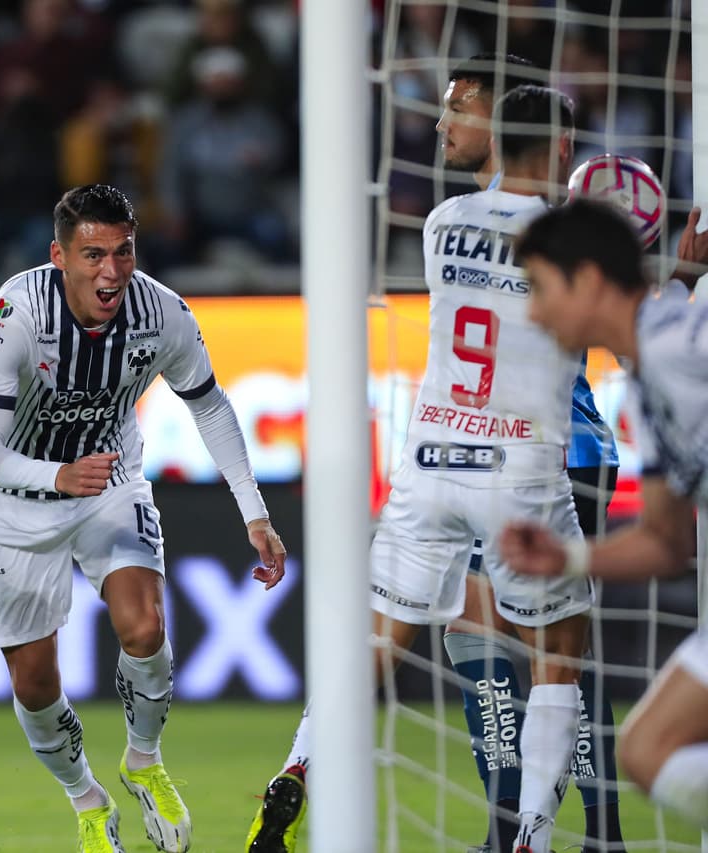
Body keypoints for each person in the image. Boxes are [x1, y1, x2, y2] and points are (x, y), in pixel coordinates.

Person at [245, 86, 591, 853]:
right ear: (563, 150)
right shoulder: (577, 237)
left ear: (498, 137)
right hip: (521, 468)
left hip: (430, 460)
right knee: (560, 654)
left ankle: (298, 763)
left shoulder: (443, 223)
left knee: (372, 644)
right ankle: (530, 835)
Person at [0, 183, 287, 853]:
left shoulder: (162, 314)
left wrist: (254, 513)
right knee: (34, 680)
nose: (110, 273)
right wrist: (55, 474)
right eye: (92, 255)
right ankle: (87, 798)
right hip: (19, 500)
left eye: (123, 252)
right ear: (59, 256)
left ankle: (143, 757)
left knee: (145, 626)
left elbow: (211, 406)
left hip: (109, 482)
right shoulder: (13, 313)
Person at [436, 54, 626, 853]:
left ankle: (594, 832)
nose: (443, 124)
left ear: (503, 124)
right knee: (483, 637)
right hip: (498, 451)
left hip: (560, 448)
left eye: (460, 109)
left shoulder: (518, 223)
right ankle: (514, 826)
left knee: (554, 649)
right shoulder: (527, 220)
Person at [502, 199, 708, 831]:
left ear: (588, 280)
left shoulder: (682, 346)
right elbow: (668, 543)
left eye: (539, 288)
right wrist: (569, 557)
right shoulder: (648, 372)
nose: (532, 311)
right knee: (647, 751)